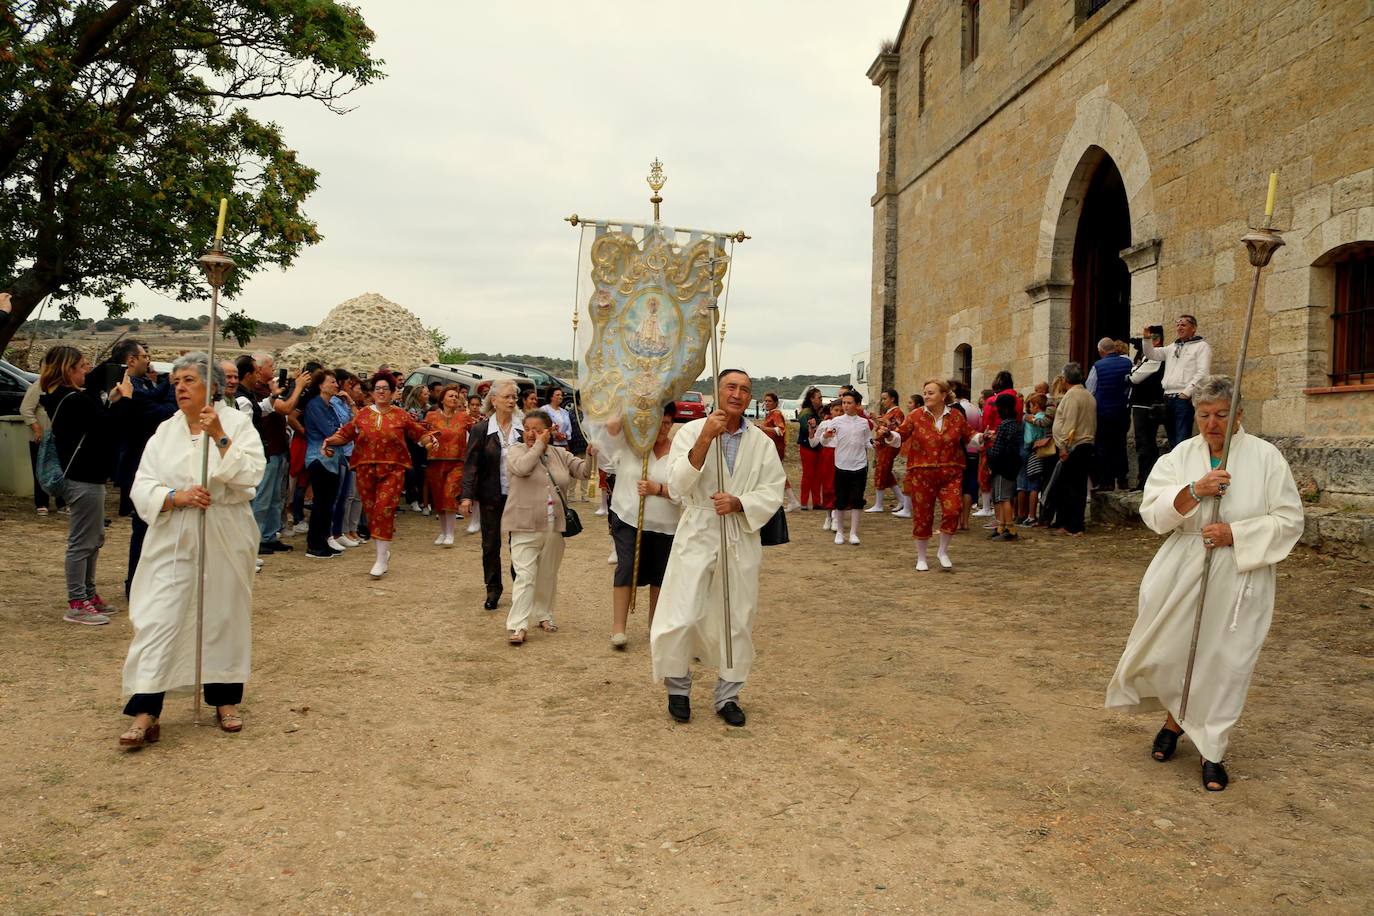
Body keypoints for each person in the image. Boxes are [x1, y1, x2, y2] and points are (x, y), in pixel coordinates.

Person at [1105, 375, 1302, 792]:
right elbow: (1153, 512)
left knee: (1226, 660)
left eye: (1221, 415)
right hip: (1182, 565)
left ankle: (1213, 748)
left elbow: (1289, 520)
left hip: (1239, 573)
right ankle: (1175, 721)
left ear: (1239, 416)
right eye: (1204, 414)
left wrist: (1236, 534)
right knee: (1174, 652)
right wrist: (1194, 490)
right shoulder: (1179, 456)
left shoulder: (1267, 458)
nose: (1212, 423)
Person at [117, 353, 267, 748]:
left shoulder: (238, 423)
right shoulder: (164, 431)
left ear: (212, 387)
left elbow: (251, 474)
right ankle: (145, 709)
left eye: (189, 380)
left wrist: (219, 435)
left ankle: (225, 701)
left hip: (223, 528)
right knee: (160, 616)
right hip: (174, 533)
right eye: (176, 380)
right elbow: (141, 483)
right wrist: (173, 496)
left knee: (222, 614)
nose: (179, 386)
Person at [650, 369, 786, 727]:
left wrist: (740, 502)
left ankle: (728, 695)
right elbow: (678, 487)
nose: (737, 394)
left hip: (739, 533)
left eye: (744, 389)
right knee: (682, 610)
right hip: (697, 527)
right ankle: (678, 688)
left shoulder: (761, 443)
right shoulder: (692, 432)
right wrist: (705, 439)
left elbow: (773, 489)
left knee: (736, 616)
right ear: (717, 392)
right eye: (731, 387)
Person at [38, 345, 132, 624]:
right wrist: (124, 401)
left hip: (81, 475)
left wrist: (111, 401)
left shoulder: (59, 396)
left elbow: (93, 423)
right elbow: (106, 429)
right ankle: (77, 602)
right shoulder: (74, 399)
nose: (86, 371)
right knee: (82, 542)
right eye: (82, 367)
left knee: (92, 539)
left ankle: (88, 595)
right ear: (68, 369)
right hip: (83, 477)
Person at [322, 373, 438, 578]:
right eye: (378, 388)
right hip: (365, 469)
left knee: (384, 509)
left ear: (393, 393)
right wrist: (330, 441)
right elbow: (347, 433)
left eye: (386, 388)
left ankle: (380, 558)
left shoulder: (401, 415)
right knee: (372, 511)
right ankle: (383, 552)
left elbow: (420, 434)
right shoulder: (363, 414)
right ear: (372, 392)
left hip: (393, 470)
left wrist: (430, 443)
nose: (381, 392)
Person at [501, 409, 594, 644]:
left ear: (550, 431)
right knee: (525, 576)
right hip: (523, 524)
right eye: (528, 429)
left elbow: (583, 472)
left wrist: (592, 454)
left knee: (548, 574)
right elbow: (522, 468)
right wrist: (537, 446)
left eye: (538, 430)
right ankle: (518, 625)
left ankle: (544, 614)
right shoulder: (515, 451)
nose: (532, 434)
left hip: (554, 525)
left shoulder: (560, 453)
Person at [605, 403, 681, 649]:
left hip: (666, 524)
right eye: (658, 422)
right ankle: (618, 628)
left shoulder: (679, 450)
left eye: (668, 423)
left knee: (660, 575)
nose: (662, 428)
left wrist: (658, 489)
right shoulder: (633, 443)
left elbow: (685, 491)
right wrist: (631, 399)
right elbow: (611, 427)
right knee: (626, 566)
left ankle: (655, 626)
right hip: (628, 516)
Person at [108, 340, 177, 597]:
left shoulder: (138, 386)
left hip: (141, 464)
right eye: (144, 356)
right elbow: (162, 412)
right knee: (143, 530)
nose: (149, 360)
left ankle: (142, 584)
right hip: (137, 465)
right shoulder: (128, 388)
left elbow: (149, 399)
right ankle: (136, 586)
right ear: (131, 360)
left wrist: (164, 384)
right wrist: (171, 388)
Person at [882, 379, 970, 570]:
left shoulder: (956, 416)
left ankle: (942, 551)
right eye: (925, 393)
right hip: (922, 472)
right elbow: (900, 435)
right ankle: (921, 557)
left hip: (951, 471)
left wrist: (984, 437)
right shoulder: (915, 415)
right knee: (922, 515)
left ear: (943, 395)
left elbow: (970, 437)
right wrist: (889, 435)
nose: (926, 396)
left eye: (931, 392)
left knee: (953, 510)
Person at [459, 379, 523, 609]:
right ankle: (493, 590)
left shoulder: (523, 429)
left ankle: (521, 589)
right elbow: (471, 466)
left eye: (514, 397)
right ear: (493, 400)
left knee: (520, 545)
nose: (511, 400)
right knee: (490, 545)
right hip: (490, 496)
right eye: (507, 396)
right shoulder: (481, 430)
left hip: (519, 497)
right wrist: (466, 496)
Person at [244, 353, 308, 555]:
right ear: (260, 370)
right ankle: (257, 538)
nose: (273, 370)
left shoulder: (269, 390)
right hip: (269, 450)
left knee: (275, 497)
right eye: (270, 367)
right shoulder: (258, 391)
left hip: (278, 449)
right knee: (263, 497)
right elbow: (285, 408)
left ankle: (269, 535)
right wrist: (298, 387)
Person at [1142, 314, 1214, 449]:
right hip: (1167, 398)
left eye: (1183, 325)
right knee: (1172, 439)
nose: (1179, 327)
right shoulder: (1172, 347)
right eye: (1178, 325)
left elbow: (1203, 373)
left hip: (1183, 399)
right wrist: (1146, 338)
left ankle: (1182, 467)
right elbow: (1151, 354)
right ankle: (1176, 468)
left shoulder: (1201, 346)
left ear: (1193, 328)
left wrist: (1187, 392)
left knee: (1182, 440)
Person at [813, 391, 873, 545]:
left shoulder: (863, 423)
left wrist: (875, 444)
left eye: (849, 403)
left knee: (857, 500)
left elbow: (868, 441)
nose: (846, 405)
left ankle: (853, 532)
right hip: (841, 464)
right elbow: (824, 441)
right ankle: (839, 531)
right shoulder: (836, 422)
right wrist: (825, 436)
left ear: (857, 405)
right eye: (844, 402)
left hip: (859, 465)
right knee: (840, 500)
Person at [1045, 362, 1097, 537]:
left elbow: (1069, 423)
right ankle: (1074, 523)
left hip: (1075, 445)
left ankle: (1071, 525)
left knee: (1070, 487)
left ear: (1065, 379)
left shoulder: (1073, 397)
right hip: (1085, 444)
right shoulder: (1088, 395)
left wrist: (1064, 447)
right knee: (1078, 486)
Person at [302, 369, 345, 559]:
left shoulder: (330, 406)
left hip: (332, 459)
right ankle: (314, 544)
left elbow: (341, 430)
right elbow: (331, 431)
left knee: (328, 503)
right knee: (321, 503)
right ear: (321, 385)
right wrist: (341, 433)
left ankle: (322, 541)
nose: (337, 385)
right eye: (333, 382)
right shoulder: (315, 406)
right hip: (319, 458)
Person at [424, 384, 474, 546]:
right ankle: (443, 532)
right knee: (438, 499)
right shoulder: (431, 416)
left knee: (449, 494)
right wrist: (429, 439)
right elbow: (422, 433)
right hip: (435, 461)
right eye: (451, 396)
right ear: (442, 399)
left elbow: (478, 430)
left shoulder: (463, 417)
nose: (454, 398)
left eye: (456, 396)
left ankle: (450, 534)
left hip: (457, 461)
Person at [1086, 336, 1134, 491]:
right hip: (1122, 411)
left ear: (1101, 351)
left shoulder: (1097, 366)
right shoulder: (1128, 363)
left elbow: (1090, 390)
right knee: (1120, 444)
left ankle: (1106, 481)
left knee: (1103, 446)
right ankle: (1122, 479)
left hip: (1103, 412)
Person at [20, 371, 63, 516]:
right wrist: (36, 428)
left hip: (60, 436)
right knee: (40, 468)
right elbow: (26, 409)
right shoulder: (39, 385)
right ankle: (41, 502)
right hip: (41, 436)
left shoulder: (67, 386)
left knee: (61, 468)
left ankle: (62, 502)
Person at [1129, 328, 1166, 489]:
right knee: (1143, 443)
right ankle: (1143, 479)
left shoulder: (1155, 357)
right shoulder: (1147, 357)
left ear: (1155, 341)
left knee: (1145, 444)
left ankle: (1145, 481)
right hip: (1141, 404)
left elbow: (1135, 377)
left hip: (1146, 405)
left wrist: (1133, 371)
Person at [985, 393, 1023, 541]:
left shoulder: (1004, 425)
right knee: (1001, 497)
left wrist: (989, 453)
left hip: (1002, 466)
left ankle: (1009, 528)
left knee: (1003, 498)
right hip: (1012, 464)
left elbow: (997, 449)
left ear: (1004, 409)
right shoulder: (1015, 424)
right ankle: (1001, 526)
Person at [868, 388, 908, 515]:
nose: (883, 401)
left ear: (892, 399)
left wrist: (880, 421)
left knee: (881, 471)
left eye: (885, 398)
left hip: (889, 446)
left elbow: (896, 429)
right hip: (883, 445)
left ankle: (879, 504)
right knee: (887, 473)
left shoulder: (897, 412)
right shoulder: (889, 412)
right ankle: (901, 500)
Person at [758, 392, 799, 512]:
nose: (766, 403)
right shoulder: (771, 414)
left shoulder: (775, 414)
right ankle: (791, 500)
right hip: (772, 448)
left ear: (775, 402)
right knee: (775, 474)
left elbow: (781, 430)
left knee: (776, 474)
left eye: (769, 401)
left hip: (775, 448)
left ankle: (791, 501)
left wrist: (763, 428)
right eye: (765, 401)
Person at [950, 380, 982, 530]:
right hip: (974, 450)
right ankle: (965, 521)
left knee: (957, 487)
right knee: (969, 487)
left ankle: (956, 521)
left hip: (960, 450)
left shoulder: (954, 410)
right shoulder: (974, 409)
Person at [795, 387, 825, 510]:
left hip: (815, 446)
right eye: (819, 398)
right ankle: (804, 502)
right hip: (808, 447)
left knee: (817, 475)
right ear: (812, 399)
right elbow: (807, 428)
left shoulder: (815, 412)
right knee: (809, 474)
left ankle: (816, 502)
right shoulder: (806, 413)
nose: (821, 400)